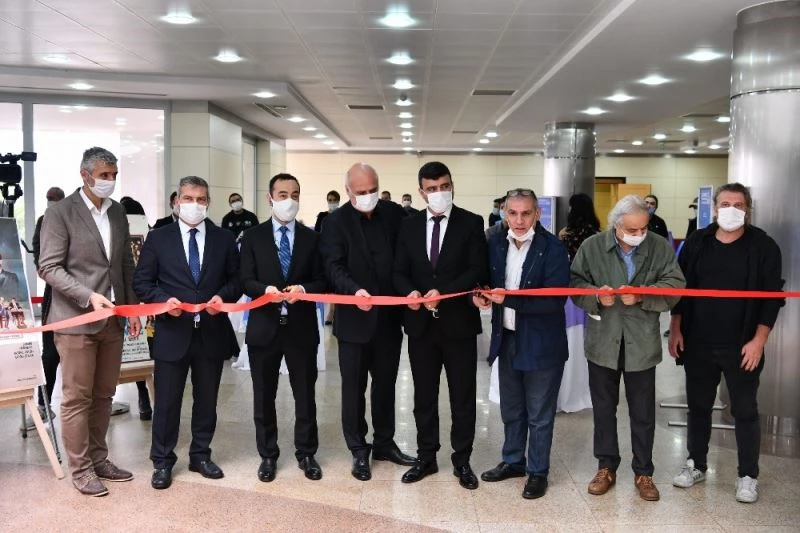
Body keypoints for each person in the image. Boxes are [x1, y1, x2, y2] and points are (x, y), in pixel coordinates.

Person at [668, 183, 783, 504]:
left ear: (748, 209)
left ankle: (747, 475)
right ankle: (696, 463)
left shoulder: (764, 246)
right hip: (698, 342)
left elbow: (772, 298)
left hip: (743, 345)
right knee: (698, 407)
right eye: (725, 204)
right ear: (715, 209)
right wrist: (676, 329)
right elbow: (680, 289)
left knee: (744, 410)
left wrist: (759, 340)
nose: (732, 209)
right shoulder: (697, 242)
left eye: (739, 204)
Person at [38, 146, 141, 497]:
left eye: (114, 175)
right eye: (104, 175)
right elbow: (49, 267)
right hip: (76, 321)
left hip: (113, 320)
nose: (110, 181)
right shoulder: (60, 213)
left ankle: (99, 459)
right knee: (76, 398)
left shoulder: (118, 213)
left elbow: (124, 264)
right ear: (85, 175)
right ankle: (80, 469)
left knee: (104, 395)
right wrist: (87, 295)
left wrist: (132, 309)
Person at [570, 195, 685, 502]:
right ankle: (605, 467)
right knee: (603, 410)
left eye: (643, 228)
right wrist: (596, 296)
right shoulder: (592, 247)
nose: (639, 234)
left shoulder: (659, 246)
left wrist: (644, 295)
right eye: (632, 229)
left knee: (643, 412)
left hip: (641, 342)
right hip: (603, 340)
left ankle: (643, 472)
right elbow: (575, 283)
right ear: (616, 225)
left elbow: (676, 284)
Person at [133, 175, 241, 490]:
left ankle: (200, 455)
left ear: (208, 202)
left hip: (211, 331)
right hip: (172, 333)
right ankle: (162, 461)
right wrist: (163, 301)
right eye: (189, 199)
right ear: (177, 201)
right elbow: (142, 282)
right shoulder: (158, 238)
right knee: (167, 402)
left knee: (207, 400)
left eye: (201, 199)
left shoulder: (223, 239)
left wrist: (222, 297)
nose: (195, 205)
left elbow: (236, 280)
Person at [393, 161, 488, 490]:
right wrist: (410, 292)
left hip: (459, 324)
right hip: (420, 326)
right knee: (423, 396)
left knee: (463, 396)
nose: (439, 193)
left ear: (452, 186)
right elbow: (399, 270)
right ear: (421, 193)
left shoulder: (471, 222)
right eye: (432, 189)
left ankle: (462, 459)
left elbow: (477, 269)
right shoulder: (408, 226)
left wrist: (443, 294)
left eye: (444, 186)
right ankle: (426, 456)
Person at [319, 163, 417, 482]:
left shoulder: (395, 215)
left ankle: (385, 443)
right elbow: (333, 266)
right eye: (361, 192)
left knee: (386, 385)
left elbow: (406, 259)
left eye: (373, 190)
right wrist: (353, 290)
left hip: (389, 320)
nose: (368, 196)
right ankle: (359, 448)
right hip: (354, 321)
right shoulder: (335, 222)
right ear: (347, 191)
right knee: (353, 389)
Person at [474, 188, 570, 499]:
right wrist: (481, 295)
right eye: (512, 213)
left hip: (542, 343)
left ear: (537, 214)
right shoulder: (495, 243)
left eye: (525, 213)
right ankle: (513, 461)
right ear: (504, 213)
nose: (518, 220)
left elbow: (554, 301)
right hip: (507, 338)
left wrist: (509, 300)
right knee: (512, 409)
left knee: (539, 415)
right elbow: (485, 280)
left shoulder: (553, 248)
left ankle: (538, 471)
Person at [240, 173, 326, 483]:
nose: (289, 200)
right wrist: (264, 290)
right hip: (264, 327)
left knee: (305, 395)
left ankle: (307, 453)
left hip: (301, 328)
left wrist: (303, 288)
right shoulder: (253, 237)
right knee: (264, 395)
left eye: (295, 194)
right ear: (270, 198)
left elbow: (323, 280)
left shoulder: (312, 238)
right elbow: (245, 279)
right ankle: (268, 454)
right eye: (282, 194)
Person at [31, 187, 65, 422]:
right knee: (50, 353)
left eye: (54, 198)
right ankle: (44, 403)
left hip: (79, 295)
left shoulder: (72, 218)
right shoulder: (43, 221)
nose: (50, 201)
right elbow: (38, 251)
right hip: (53, 293)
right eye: (48, 198)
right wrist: (45, 271)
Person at [118, 196, 153, 421]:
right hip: (147, 304)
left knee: (138, 351)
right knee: (145, 351)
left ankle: (143, 396)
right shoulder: (150, 234)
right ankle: (144, 397)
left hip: (130, 302)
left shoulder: (148, 235)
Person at [558, 193, 601, 262]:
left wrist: (560, 238)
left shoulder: (571, 234)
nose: (568, 210)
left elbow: (560, 256)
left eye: (570, 207)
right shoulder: (596, 231)